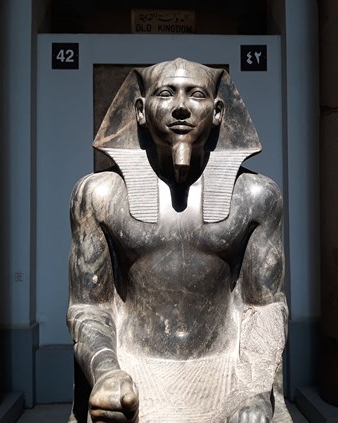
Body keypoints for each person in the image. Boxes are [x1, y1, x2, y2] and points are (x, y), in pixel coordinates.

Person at [67, 58, 291, 422]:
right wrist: (106, 371)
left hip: (228, 374)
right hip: (133, 371)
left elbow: (264, 307)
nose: (181, 106)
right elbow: (89, 307)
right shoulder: (99, 196)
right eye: (166, 93)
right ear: (140, 111)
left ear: (218, 112)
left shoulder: (256, 196)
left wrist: (253, 390)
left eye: (196, 94)